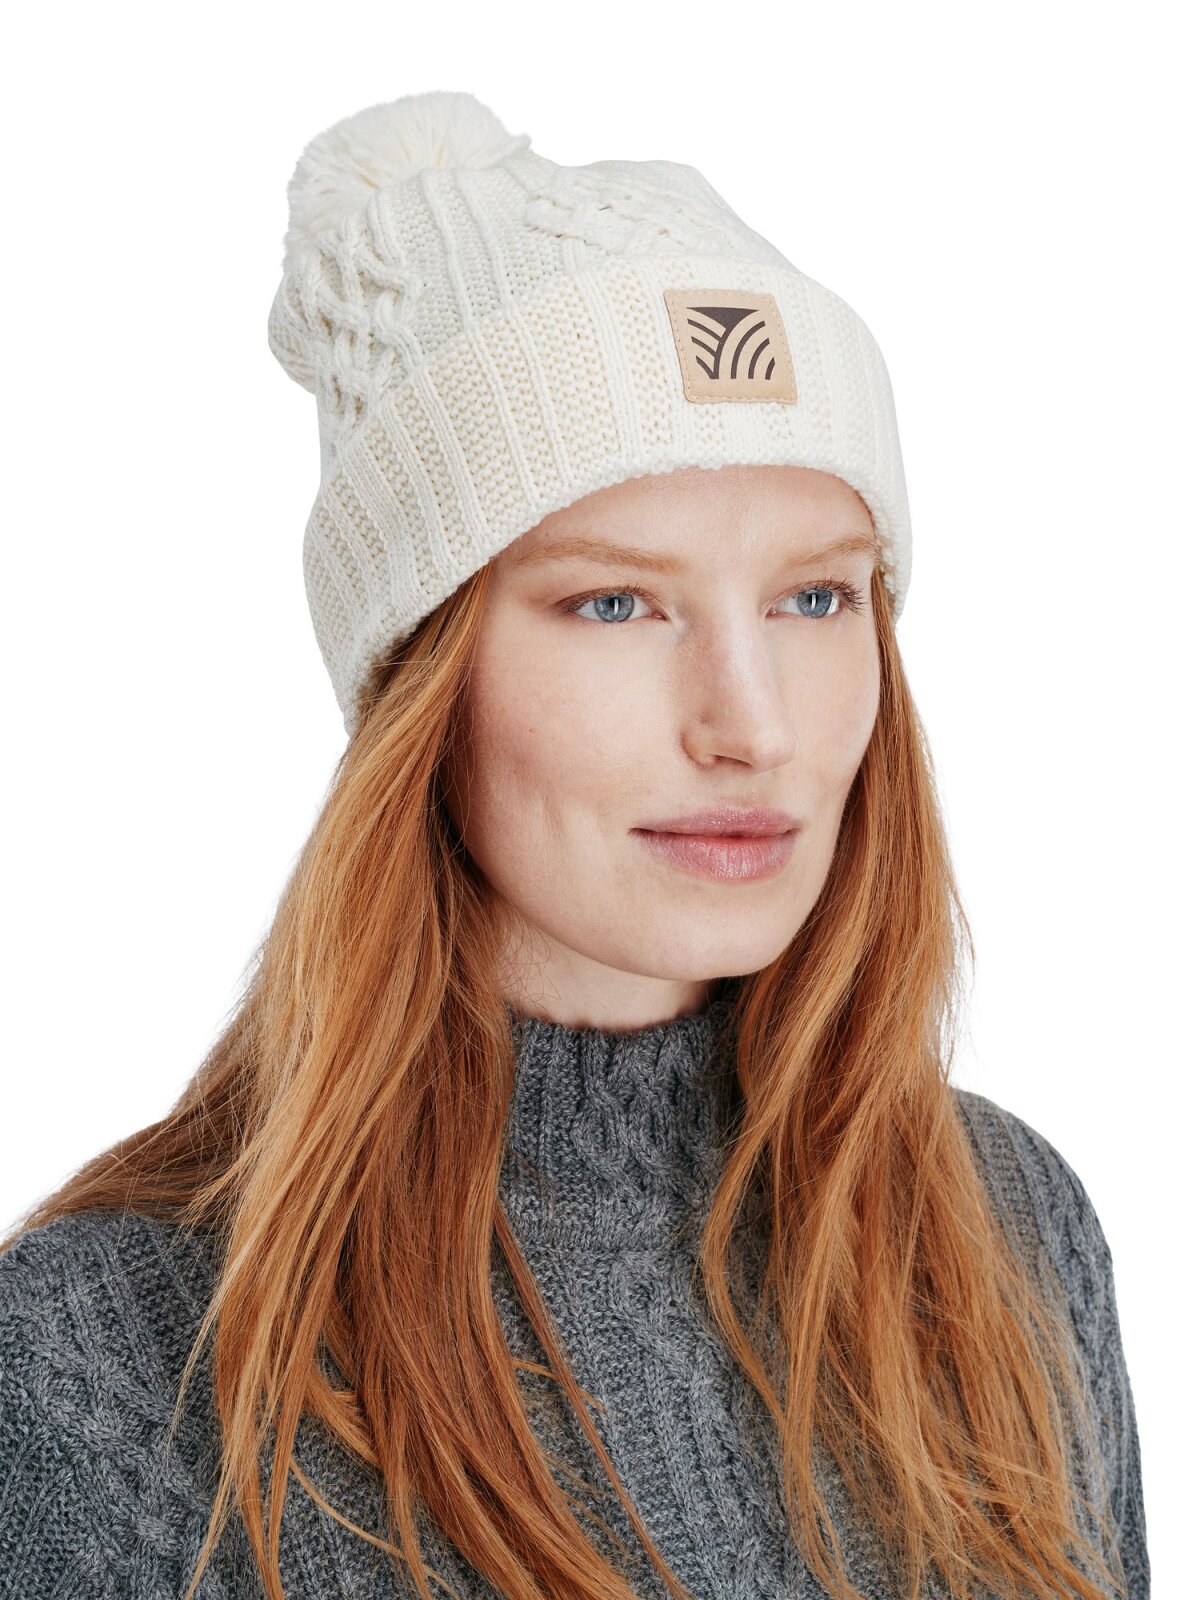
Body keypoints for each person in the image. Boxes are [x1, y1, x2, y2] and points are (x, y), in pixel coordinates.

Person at [0, 89, 1148, 1600]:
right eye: (616, 602)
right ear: (422, 675)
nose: (753, 725)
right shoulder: (107, 1359)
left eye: (816, 597)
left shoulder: (1007, 1229)